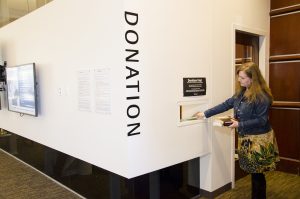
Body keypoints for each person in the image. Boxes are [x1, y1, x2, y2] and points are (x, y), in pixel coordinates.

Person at [194, 62, 279, 199]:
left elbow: (262, 120)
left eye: (243, 78)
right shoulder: (241, 92)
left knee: (257, 173)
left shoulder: (262, 96)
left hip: (259, 139)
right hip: (246, 137)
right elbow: (226, 104)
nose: (239, 80)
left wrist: (239, 124)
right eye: (239, 77)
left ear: (253, 79)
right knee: (254, 171)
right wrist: (205, 114)